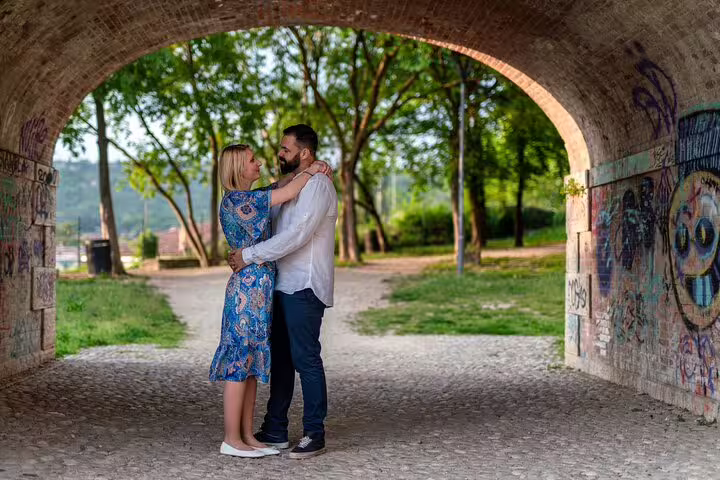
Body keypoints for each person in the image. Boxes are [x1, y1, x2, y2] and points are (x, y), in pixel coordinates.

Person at [209, 143, 331, 458]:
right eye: (252, 160)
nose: (259, 162)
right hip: (247, 291)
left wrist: (314, 164)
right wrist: (313, 169)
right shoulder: (239, 201)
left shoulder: (253, 196)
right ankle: (232, 439)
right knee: (240, 363)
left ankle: (248, 436)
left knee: (251, 363)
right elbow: (287, 193)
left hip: (260, 289)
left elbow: (281, 186)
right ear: (238, 168)